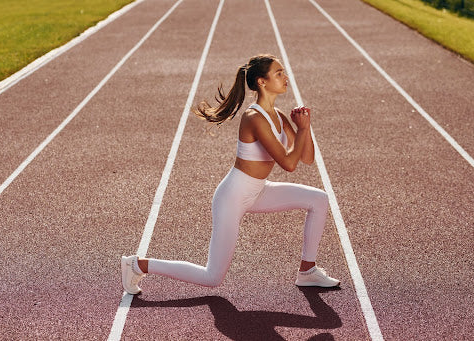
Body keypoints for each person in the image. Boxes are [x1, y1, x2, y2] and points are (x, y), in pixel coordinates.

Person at [121, 54, 340, 294]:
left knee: (318, 199)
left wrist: (302, 129)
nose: (285, 77)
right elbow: (289, 163)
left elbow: (307, 158)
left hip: (258, 190)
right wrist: (303, 129)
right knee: (212, 277)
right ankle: (137, 265)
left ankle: (307, 271)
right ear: (261, 82)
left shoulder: (278, 115)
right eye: (279, 73)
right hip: (232, 197)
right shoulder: (254, 117)